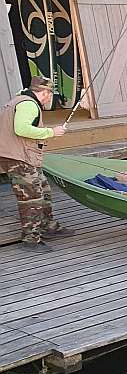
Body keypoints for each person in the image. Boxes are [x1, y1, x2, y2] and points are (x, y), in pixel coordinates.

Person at [0, 76, 71, 252]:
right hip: (19, 158)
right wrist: (51, 132)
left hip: (20, 156)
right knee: (31, 198)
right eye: (50, 94)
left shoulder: (20, 100)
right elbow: (21, 129)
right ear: (45, 92)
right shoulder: (28, 104)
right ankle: (30, 239)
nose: (49, 99)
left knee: (44, 189)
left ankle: (48, 225)